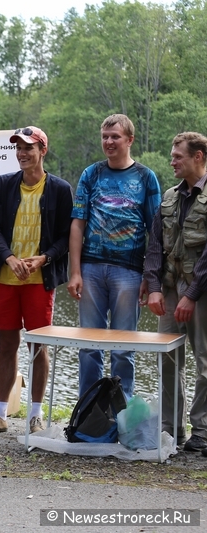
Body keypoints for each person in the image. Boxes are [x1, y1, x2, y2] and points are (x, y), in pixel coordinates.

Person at [0, 126, 73, 435]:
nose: (22, 153)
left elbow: (65, 237)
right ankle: (0, 413)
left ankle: (35, 415)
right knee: (7, 345)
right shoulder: (5, 184)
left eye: (28, 148)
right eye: (18, 148)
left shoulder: (59, 189)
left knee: (38, 346)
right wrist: (9, 258)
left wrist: (43, 258)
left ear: (42, 151)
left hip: (39, 281)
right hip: (6, 278)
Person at [67, 114, 161, 399]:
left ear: (129, 140)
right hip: (91, 268)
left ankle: (122, 413)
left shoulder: (145, 177)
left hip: (129, 272)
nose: (108, 142)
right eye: (105, 136)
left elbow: (155, 233)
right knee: (89, 345)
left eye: (115, 137)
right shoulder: (91, 174)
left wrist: (150, 277)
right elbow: (77, 224)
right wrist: (75, 272)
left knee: (123, 348)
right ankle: (88, 412)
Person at [144, 132, 207, 453]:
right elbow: (155, 246)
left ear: (198, 157)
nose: (172, 161)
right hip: (169, 291)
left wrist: (192, 294)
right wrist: (154, 288)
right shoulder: (168, 197)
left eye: (177, 156)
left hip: (201, 292)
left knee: (205, 361)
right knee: (168, 361)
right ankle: (171, 429)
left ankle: (203, 431)